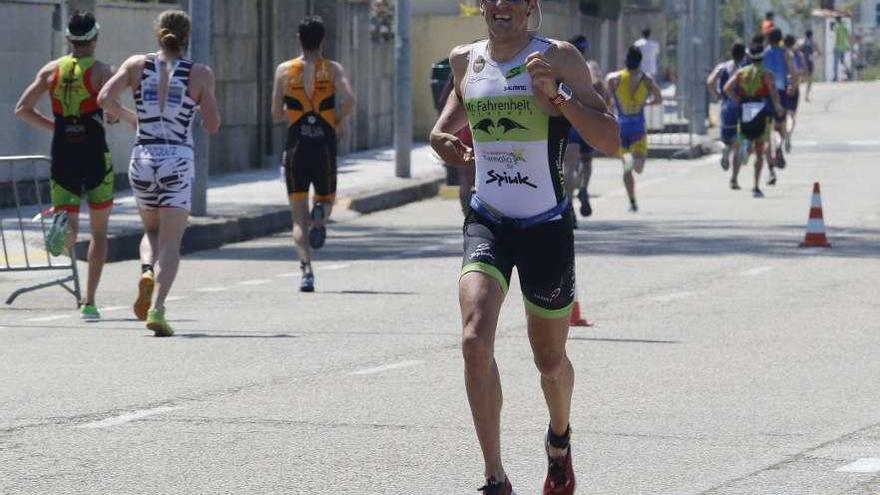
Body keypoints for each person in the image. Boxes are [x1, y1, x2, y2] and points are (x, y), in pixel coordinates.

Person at [429, 0, 619, 493]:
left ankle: (560, 440)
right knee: (474, 340)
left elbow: (611, 138)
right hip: (488, 220)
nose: (500, 6)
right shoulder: (464, 60)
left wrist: (557, 99)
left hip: (546, 225)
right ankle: (495, 476)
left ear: (530, 5)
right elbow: (446, 127)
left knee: (550, 361)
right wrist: (443, 142)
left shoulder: (558, 58)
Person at [98, 9, 220, 336]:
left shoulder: (137, 64)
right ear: (187, 36)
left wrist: (129, 116)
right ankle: (158, 308)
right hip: (177, 158)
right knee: (171, 242)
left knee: (150, 231)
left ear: (158, 33)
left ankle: (147, 270)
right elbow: (212, 124)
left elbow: (104, 98)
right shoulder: (200, 73)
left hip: (144, 156)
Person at [14, 11, 127, 320]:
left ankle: (63, 231)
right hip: (93, 151)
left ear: (68, 39)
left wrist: (58, 128)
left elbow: (22, 109)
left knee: (71, 223)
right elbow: (112, 113)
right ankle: (89, 302)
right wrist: (115, 118)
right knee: (100, 233)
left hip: (63, 149)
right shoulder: (105, 71)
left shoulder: (51, 70)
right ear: (95, 38)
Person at [271, 15, 356, 293]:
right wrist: (335, 121)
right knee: (325, 201)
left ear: (298, 39)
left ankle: (306, 271)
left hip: (296, 148)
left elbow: (275, 114)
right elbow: (350, 99)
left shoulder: (284, 70)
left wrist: (294, 115)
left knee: (297, 218)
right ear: (322, 40)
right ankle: (319, 217)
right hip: (324, 147)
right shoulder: (332, 69)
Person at [724, 36, 784, 199]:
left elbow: (727, 87)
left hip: (744, 111)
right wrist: (778, 108)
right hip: (760, 112)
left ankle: (734, 178)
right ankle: (756, 186)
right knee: (759, 150)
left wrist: (737, 99)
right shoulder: (766, 74)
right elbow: (773, 94)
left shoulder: (741, 73)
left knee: (742, 143)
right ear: (762, 57)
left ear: (749, 56)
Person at [606, 46, 662, 212]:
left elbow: (606, 101)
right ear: (640, 60)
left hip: (620, 125)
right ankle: (634, 162)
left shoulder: (613, 78)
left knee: (626, 167)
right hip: (638, 125)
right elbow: (658, 98)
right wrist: (645, 103)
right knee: (639, 167)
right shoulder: (647, 79)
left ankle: (632, 201)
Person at [563, 35, 608, 221]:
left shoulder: (562, 68)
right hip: (589, 122)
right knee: (587, 162)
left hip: (570, 122)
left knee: (569, 165)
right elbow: (602, 92)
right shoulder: (592, 68)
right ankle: (583, 189)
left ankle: (569, 206)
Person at [706, 42, 747, 189]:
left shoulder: (722, 67)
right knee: (739, 144)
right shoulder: (744, 69)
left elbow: (710, 81)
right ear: (743, 55)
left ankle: (724, 149)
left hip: (726, 106)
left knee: (726, 138)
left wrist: (716, 95)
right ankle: (734, 179)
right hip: (742, 107)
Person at [761, 28, 797, 184]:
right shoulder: (785, 53)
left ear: (769, 39)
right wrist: (792, 87)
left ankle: (770, 171)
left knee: (766, 132)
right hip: (781, 93)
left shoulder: (763, 53)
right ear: (780, 40)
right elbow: (794, 73)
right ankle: (780, 144)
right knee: (779, 126)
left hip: (765, 94)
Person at [783, 34, 805, 153]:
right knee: (791, 115)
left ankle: (782, 136)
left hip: (782, 86)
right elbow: (800, 72)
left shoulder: (781, 54)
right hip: (794, 86)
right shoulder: (798, 55)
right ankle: (788, 136)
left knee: (782, 116)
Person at [797, 30, 820, 102]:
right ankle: (806, 96)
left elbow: (796, 50)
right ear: (811, 35)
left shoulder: (801, 42)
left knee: (800, 78)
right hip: (809, 62)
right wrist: (815, 55)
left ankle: (794, 92)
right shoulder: (813, 43)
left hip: (802, 62)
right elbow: (819, 52)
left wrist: (800, 55)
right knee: (809, 80)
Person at [832, 16, 852, 82]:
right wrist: (848, 45)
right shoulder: (844, 26)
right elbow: (848, 36)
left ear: (837, 20)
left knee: (835, 62)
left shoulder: (837, 26)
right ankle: (848, 72)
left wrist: (835, 46)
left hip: (838, 47)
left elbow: (837, 36)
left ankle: (835, 77)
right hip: (844, 47)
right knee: (842, 61)